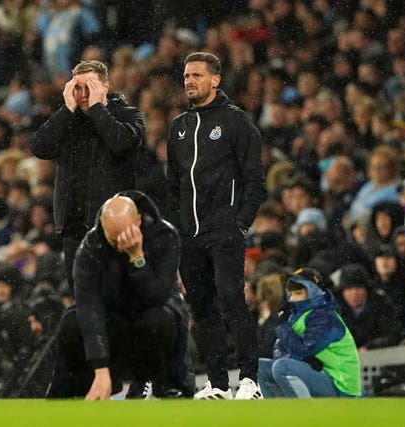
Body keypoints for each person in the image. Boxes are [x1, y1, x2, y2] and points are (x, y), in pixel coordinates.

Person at [166, 51, 266, 399]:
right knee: (202, 308)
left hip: (224, 231)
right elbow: (173, 184)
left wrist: (240, 224)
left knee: (231, 300)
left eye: (196, 75)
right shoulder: (178, 127)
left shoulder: (236, 121)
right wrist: (176, 230)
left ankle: (250, 380)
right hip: (189, 235)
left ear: (215, 80)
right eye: (186, 76)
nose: (189, 81)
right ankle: (218, 383)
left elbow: (256, 180)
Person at [48, 191, 190, 399]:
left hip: (149, 320)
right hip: (113, 320)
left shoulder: (164, 236)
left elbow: (158, 296)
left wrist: (137, 259)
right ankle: (92, 384)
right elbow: (88, 307)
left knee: (162, 319)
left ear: (139, 219)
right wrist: (101, 368)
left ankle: (159, 382)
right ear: (102, 227)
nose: (118, 245)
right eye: (112, 239)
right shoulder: (91, 246)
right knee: (72, 321)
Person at [29, 59, 145, 289]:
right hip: (74, 227)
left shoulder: (128, 115)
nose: (83, 94)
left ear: (106, 87)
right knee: (81, 296)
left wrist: (97, 109)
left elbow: (120, 143)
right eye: (78, 88)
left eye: (90, 87)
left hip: (112, 226)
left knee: (115, 294)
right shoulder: (68, 120)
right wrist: (65, 109)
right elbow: (39, 146)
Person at [258, 268, 362, 398]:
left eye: (298, 293)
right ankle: (278, 414)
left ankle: (305, 413)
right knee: (259, 367)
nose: (293, 298)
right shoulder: (297, 315)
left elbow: (302, 351)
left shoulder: (324, 316)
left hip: (340, 383)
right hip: (320, 374)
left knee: (282, 368)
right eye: (291, 293)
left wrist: (283, 326)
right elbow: (281, 351)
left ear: (314, 292)